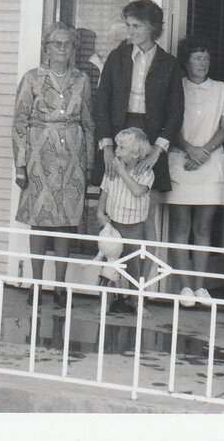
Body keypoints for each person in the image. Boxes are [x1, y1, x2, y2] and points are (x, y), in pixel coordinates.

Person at [93, 0, 184, 285]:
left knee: (146, 219)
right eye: (128, 25)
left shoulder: (168, 64)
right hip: (120, 137)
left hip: (151, 140)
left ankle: (139, 288)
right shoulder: (117, 58)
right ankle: (113, 283)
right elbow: (102, 102)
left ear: (152, 28)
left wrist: (158, 150)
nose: (129, 31)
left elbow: (176, 110)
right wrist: (107, 147)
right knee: (113, 217)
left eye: (136, 26)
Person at [13, 23, 94, 307]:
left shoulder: (82, 80)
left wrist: (89, 163)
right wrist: (21, 165)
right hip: (39, 155)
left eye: (68, 44)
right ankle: (36, 284)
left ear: (74, 49)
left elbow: (88, 122)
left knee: (66, 222)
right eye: (57, 44)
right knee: (39, 220)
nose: (62, 49)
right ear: (46, 47)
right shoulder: (32, 78)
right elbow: (19, 123)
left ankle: (59, 287)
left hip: (72, 154)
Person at [167, 38, 224, 308]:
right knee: (181, 226)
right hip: (181, 161)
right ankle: (184, 287)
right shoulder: (177, 86)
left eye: (206, 58)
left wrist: (203, 152)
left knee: (204, 227)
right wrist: (189, 150)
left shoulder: (221, 89)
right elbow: (169, 124)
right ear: (187, 61)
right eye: (197, 57)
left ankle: (201, 286)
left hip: (210, 162)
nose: (203, 63)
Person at [95, 127, 155, 314]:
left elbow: (138, 191)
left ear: (136, 153)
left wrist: (122, 173)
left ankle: (137, 302)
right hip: (114, 226)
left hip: (134, 227)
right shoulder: (111, 172)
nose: (117, 151)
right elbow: (104, 195)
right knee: (109, 266)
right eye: (117, 146)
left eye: (122, 148)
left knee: (133, 267)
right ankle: (106, 301)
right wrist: (100, 213)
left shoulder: (146, 174)